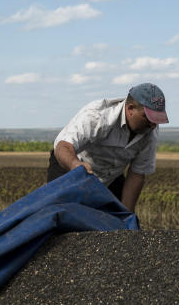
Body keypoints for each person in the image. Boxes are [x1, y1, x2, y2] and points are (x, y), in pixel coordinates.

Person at [47, 82, 168, 212]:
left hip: (110, 175)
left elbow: (137, 174)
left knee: (117, 220)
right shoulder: (97, 115)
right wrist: (74, 164)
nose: (153, 125)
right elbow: (63, 146)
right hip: (71, 164)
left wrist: (127, 217)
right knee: (62, 212)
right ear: (130, 109)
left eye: (156, 119)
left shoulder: (150, 130)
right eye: (147, 118)